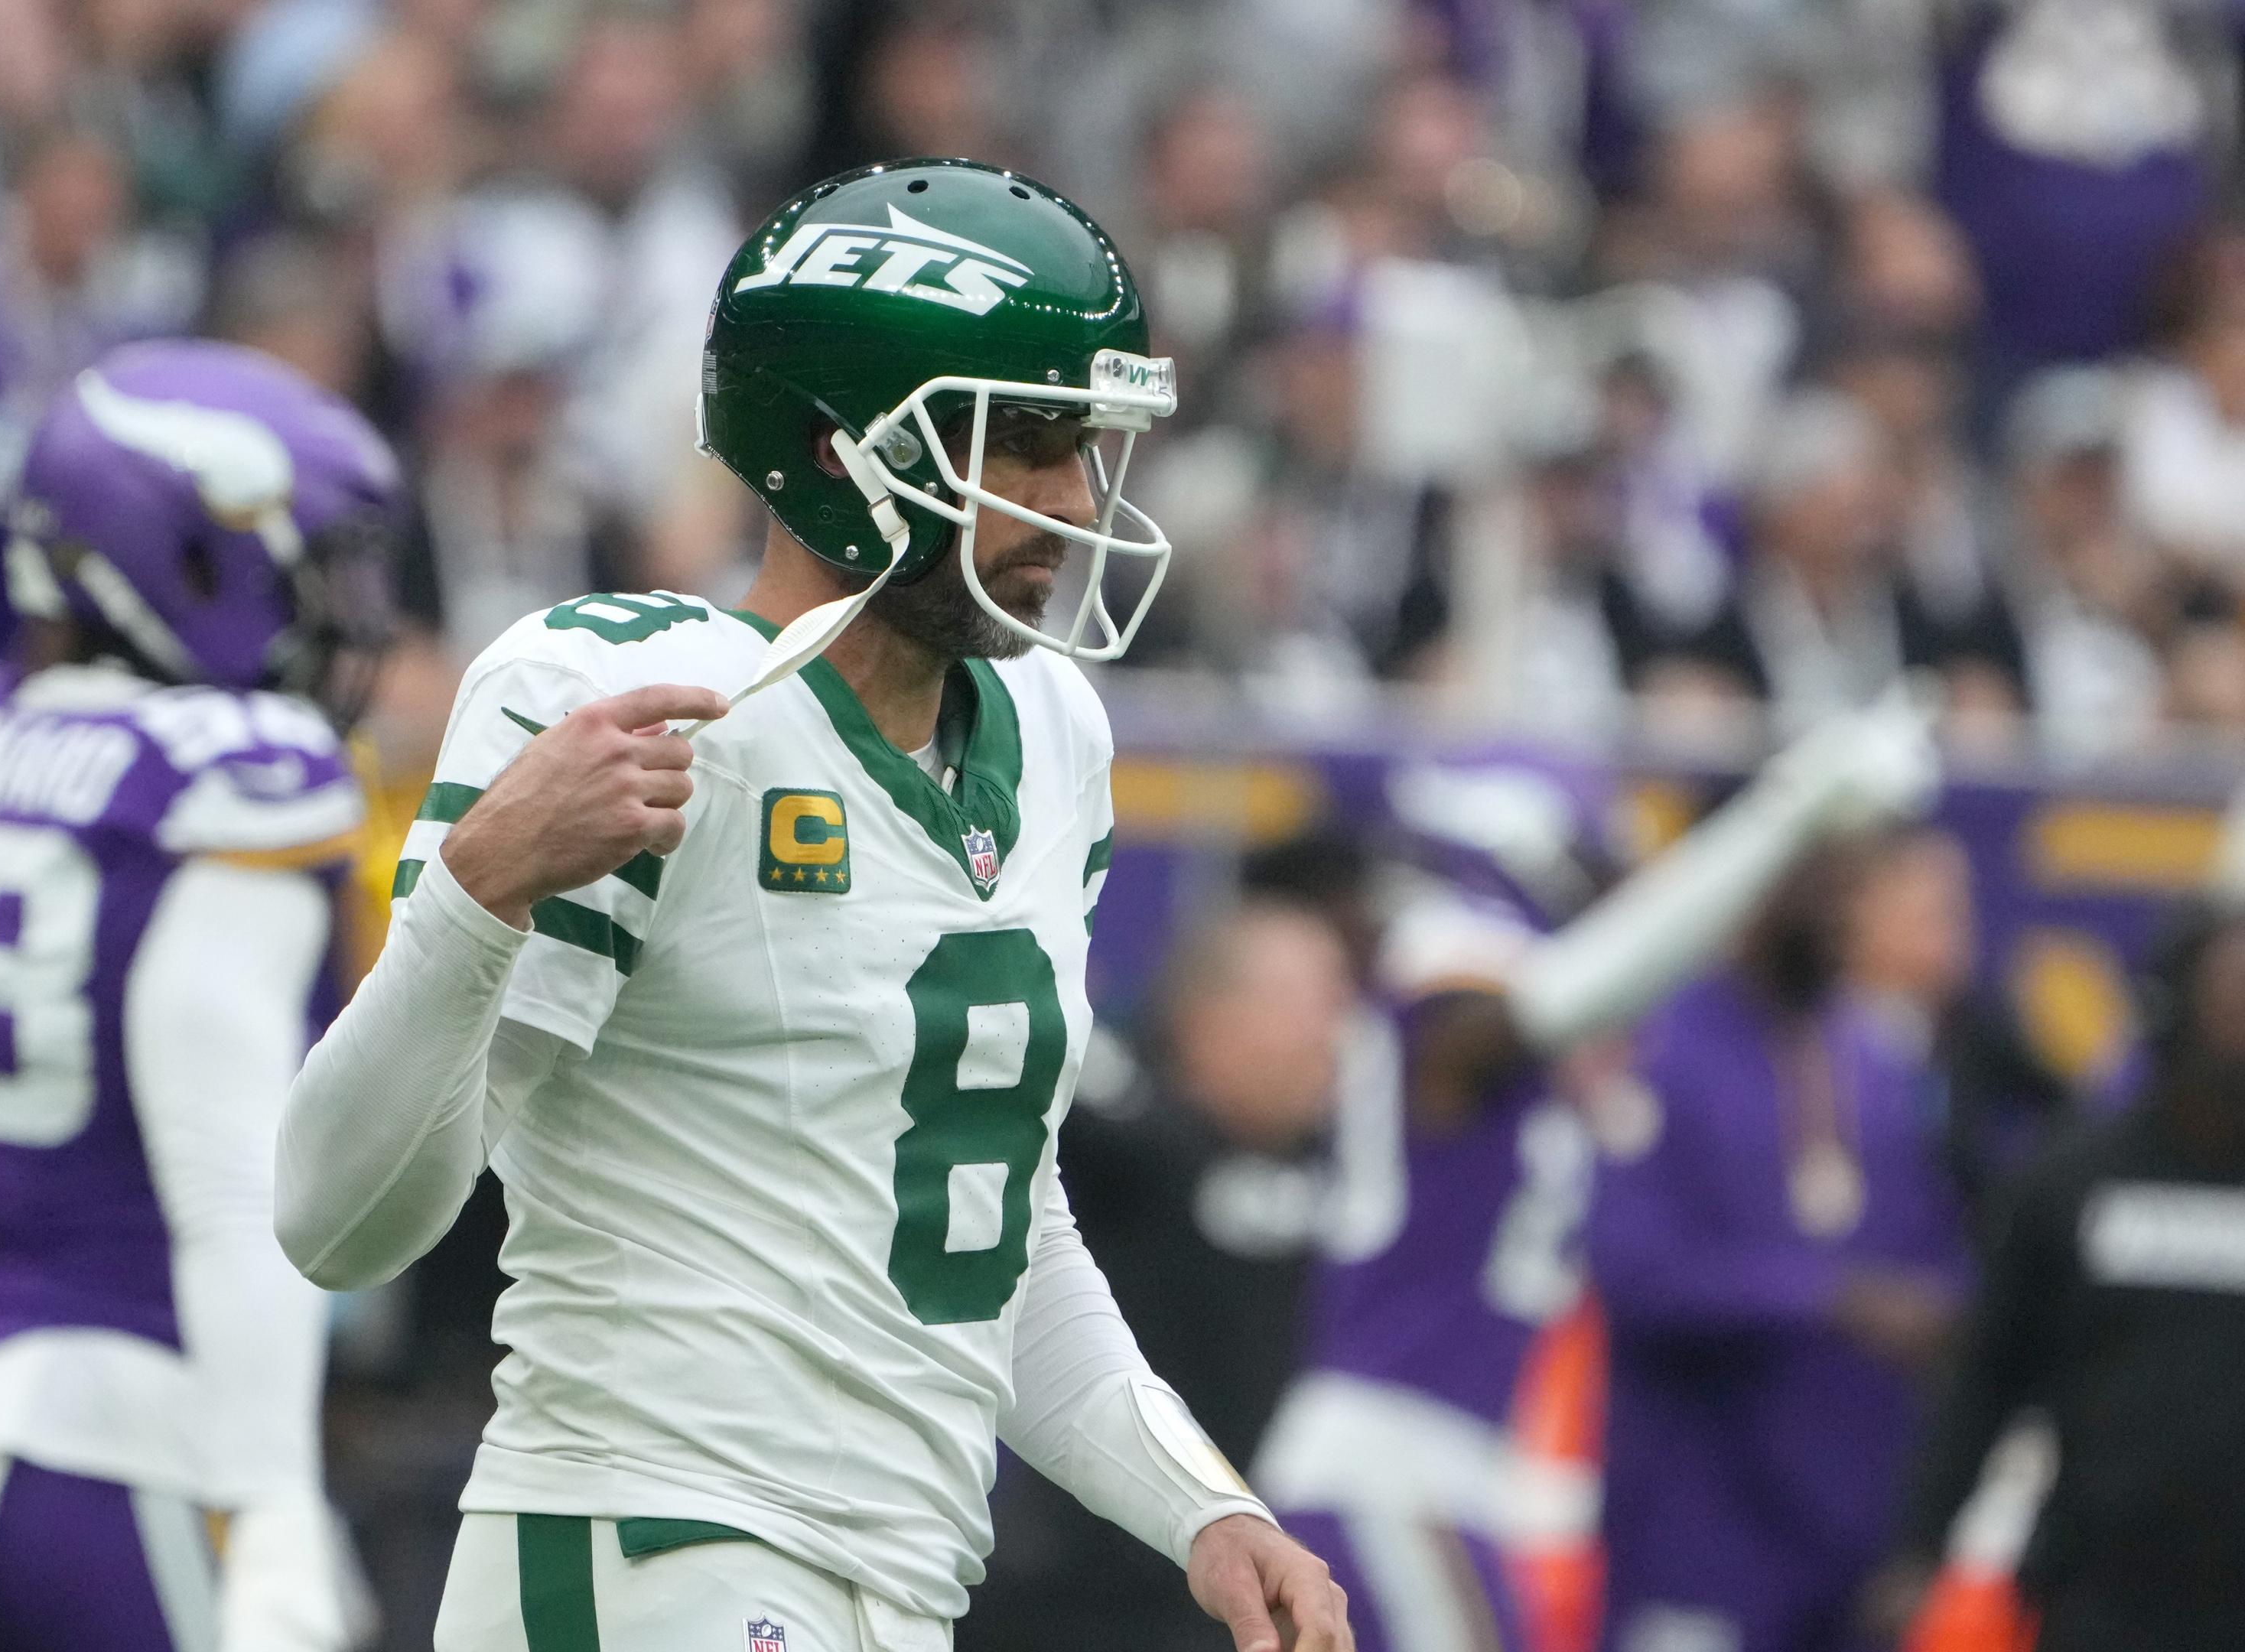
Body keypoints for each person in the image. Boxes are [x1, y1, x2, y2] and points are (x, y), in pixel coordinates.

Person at [274, 158, 1352, 1651]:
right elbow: (335, 1222)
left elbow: (990, 1227)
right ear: (843, 452)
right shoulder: (634, 697)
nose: (1069, 501)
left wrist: (1202, 1506)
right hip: (646, 1542)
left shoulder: (1053, 732)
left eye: (1083, 445)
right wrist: (474, 891)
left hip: (896, 1581)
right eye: (1023, 442)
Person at [0, 338, 399, 1652]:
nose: (338, 623)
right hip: (83, 1461)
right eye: (306, 577)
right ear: (191, 561)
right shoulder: (226, 777)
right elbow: (234, 1193)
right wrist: (274, 1508)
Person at [1251, 717, 1938, 1652]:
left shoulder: (1501, 1031)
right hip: (1394, 1471)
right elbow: (1575, 994)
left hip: (1445, 1477)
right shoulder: (1449, 1002)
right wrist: (1782, 820)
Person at [1589, 828, 1976, 1652]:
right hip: (1701, 1526)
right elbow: (1634, 1271)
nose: (1839, 912)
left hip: (1852, 1530)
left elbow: (1929, 1264)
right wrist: (1826, 1298)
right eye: (1817, 885)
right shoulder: (1663, 1047)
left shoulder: (1877, 1060)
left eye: (1854, 889)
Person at [968, 888, 1358, 1652]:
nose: (1330, 1034)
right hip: (1062, 1597)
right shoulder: (1127, 1144)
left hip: (1223, 1577)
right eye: (1299, 1001)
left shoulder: (1350, 1159)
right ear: (1204, 1019)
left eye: (1339, 1001)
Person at [1877, 897, 2245, 1652]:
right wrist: (1922, 1545)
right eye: (2232, 999)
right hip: (2102, 1585)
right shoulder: (2071, 1182)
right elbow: (1986, 1376)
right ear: (2176, 1004)